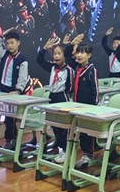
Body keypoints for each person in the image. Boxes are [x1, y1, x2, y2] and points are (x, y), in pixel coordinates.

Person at [37, 36, 74, 163]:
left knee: (63, 126)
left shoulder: (68, 69)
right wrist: (44, 49)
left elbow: (70, 87)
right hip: (51, 96)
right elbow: (39, 61)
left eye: (59, 53)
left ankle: (66, 150)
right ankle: (60, 145)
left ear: (64, 55)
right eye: (54, 54)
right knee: (54, 124)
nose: (56, 56)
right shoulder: (52, 67)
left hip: (62, 97)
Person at [0, 29, 30, 149]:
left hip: (14, 93)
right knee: (6, 116)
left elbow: (22, 77)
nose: (10, 46)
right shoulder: (4, 55)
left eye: (12, 43)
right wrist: (1, 35)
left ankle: (11, 139)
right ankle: (10, 139)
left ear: (18, 43)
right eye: (7, 43)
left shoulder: (22, 60)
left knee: (10, 118)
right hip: (4, 91)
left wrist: (18, 90)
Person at [64, 38, 99, 169]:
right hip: (77, 106)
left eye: (82, 53)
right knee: (81, 131)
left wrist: (93, 106)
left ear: (89, 55)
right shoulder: (77, 68)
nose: (79, 55)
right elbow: (67, 56)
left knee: (88, 132)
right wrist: (71, 45)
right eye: (77, 52)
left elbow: (95, 89)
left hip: (88, 107)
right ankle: (85, 153)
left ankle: (89, 154)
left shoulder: (91, 70)